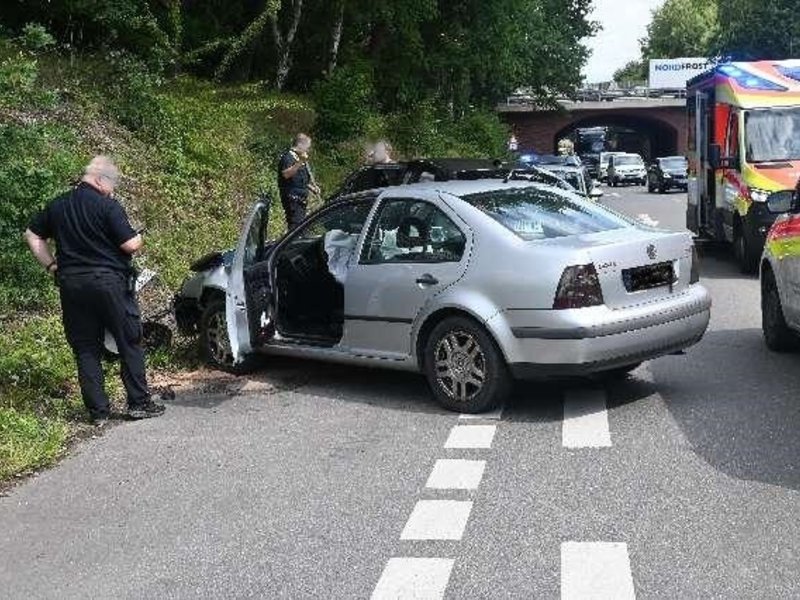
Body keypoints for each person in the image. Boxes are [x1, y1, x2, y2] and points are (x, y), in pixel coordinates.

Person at [24, 156, 166, 426]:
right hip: (109, 283)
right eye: (112, 185)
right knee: (129, 341)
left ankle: (98, 413)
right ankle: (139, 403)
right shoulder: (107, 206)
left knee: (85, 348)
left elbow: (32, 235)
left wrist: (51, 265)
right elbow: (130, 246)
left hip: (71, 284)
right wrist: (139, 236)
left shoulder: (57, 205)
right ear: (101, 180)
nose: (112, 191)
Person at [278, 133, 320, 231]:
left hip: (301, 200)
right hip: (292, 199)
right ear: (300, 145)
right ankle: (291, 245)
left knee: (300, 226)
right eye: (307, 147)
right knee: (295, 227)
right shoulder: (287, 157)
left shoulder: (299, 158)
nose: (308, 150)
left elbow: (301, 179)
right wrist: (300, 162)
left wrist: (313, 188)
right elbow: (286, 174)